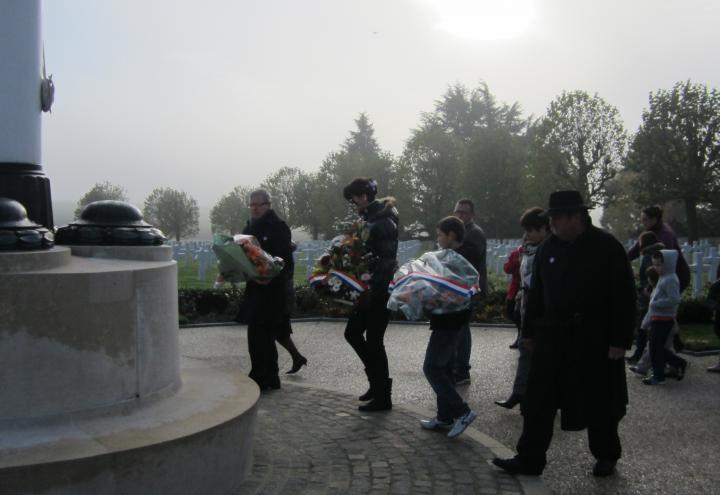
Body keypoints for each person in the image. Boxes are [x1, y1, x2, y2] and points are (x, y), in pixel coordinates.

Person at [492, 190, 636, 478]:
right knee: (537, 401)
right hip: (553, 336)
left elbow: (624, 296)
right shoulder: (550, 247)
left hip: (595, 337)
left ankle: (606, 454)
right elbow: (537, 295)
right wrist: (529, 332)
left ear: (575, 217)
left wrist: (620, 340)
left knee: (601, 402)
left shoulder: (606, 247)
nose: (552, 224)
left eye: (556, 218)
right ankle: (529, 458)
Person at [420, 216, 479, 438]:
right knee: (444, 369)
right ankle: (445, 417)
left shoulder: (457, 259)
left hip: (449, 321)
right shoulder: (454, 257)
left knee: (432, 368)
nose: (437, 239)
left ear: (451, 235)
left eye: (440, 235)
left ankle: (462, 412)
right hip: (451, 321)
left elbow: (448, 292)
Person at [342, 177, 399, 412]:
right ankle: (376, 384)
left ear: (364, 196)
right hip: (368, 288)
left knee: (374, 340)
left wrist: (372, 289)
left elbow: (385, 260)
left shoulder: (383, 221)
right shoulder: (369, 218)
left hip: (378, 290)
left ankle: (383, 395)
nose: (353, 203)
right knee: (354, 333)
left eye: (353, 198)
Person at [495, 207, 549, 409]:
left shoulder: (549, 250)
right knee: (526, 351)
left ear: (544, 228)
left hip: (543, 311)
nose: (527, 235)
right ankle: (520, 393)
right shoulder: (528, 249)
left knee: (540, 356)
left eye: (531, 230)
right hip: (527, 304)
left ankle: (539, 397)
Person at [242, 189, 295, 391]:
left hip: (272, 289)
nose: (254, 208)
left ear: (268, 205)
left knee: (261, 334)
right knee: (259, 334)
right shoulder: (248, 227)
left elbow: (285, 261)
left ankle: (261, 376)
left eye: (258, 204)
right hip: (255, 287)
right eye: (252, 204)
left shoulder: (278, 227)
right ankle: (268, 376)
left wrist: (270, 275)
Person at [452, 199, 487, 383]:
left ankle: (463, 370)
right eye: (457, 211)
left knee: (462, 329)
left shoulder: (474, 233)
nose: (459, 215)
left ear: (472, 215)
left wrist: (451, 247)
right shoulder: (459, 231)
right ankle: (457, 366)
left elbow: (469, 258)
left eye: (464, 212)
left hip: (469, 286)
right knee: (458, 327)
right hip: (459, 286)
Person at [640, 250, 688, 385]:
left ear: (668, 264)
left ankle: (659, 375)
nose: (656, 268)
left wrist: (655, 303)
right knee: (656, 348)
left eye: (659, 265)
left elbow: (674, 299)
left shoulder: (670, 279)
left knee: (655, 348)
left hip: (664, 319)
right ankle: (676, 364)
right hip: (658, 318)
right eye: (654, 265)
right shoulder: (664, 277)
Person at [626, 231, 666, 364]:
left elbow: (651, 276)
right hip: (654, 295)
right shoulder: (661, 253)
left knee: (642, 327)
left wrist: (644, 290)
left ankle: (639, 354)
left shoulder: (649, 255)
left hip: (648, 296)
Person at [503, 244, 523, 349]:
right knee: (510, 311)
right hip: (515, 288)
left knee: (521, 314)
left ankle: (521, 337)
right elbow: (506, 268)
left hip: (526, 288)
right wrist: (517, 261)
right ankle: (520, 334)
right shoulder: (516, 253)